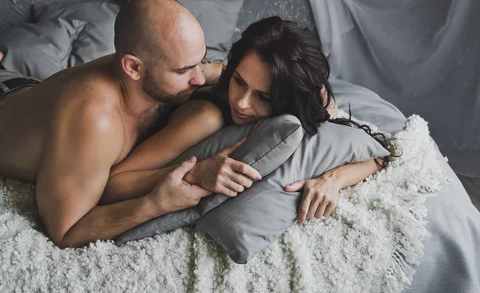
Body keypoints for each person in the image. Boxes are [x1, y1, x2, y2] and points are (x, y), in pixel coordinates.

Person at [0, 0, 261, 248]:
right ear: (133, 67)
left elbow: (235, 73)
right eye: (184, 70)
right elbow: (66, 231)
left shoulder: (171, 68)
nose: (199, 77)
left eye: (202, 61)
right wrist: (155, 204)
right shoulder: (96, 122)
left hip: (5, 84)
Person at [99, 16, 395, 225]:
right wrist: (194, 172)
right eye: (238, 81)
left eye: (263, 97)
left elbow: (380, 155)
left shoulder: (311, 102)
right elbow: (113, 184)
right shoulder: (206, 118)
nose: (240, 102)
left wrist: (333, 179)